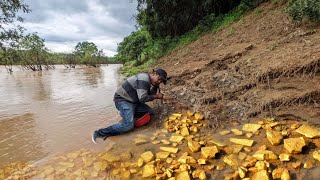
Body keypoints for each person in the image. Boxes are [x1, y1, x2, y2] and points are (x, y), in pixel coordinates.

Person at [91, 68, 168, 144]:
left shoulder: (148, 81)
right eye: (159, 79)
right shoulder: (144, 79)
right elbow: (143, 98)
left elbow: (148, 94)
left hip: (133, 101)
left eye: (160, 81)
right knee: (128, 125)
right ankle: (99, 133)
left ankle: (128, 116)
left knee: (150, 112)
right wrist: (157, 96)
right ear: (154, 74)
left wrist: (155, 87)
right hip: (123, 100)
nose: (159, 82)